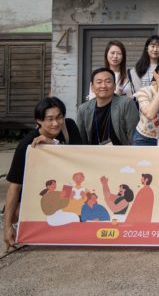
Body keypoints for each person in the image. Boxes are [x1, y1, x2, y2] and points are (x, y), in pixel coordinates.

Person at [4, 97, 83, 252]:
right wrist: (7, 227)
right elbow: (14, 187)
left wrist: (52, 144)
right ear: (39, 120)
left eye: (59, 117)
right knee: (15, 213)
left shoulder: (69, 127)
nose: (56, 123)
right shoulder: (26, 145)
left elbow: (79, 158)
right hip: (38, 193)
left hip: (67, 184)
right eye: (50, 119)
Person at [76, 68, 139, 145]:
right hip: (93, 152)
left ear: (114, 86)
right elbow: (80, 141)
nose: (103, 86)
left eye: (108, 82)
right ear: (92, 87)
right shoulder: (83, 109)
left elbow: (134, 137)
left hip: (121, 152)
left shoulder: (126, 104)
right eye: (99, 82)